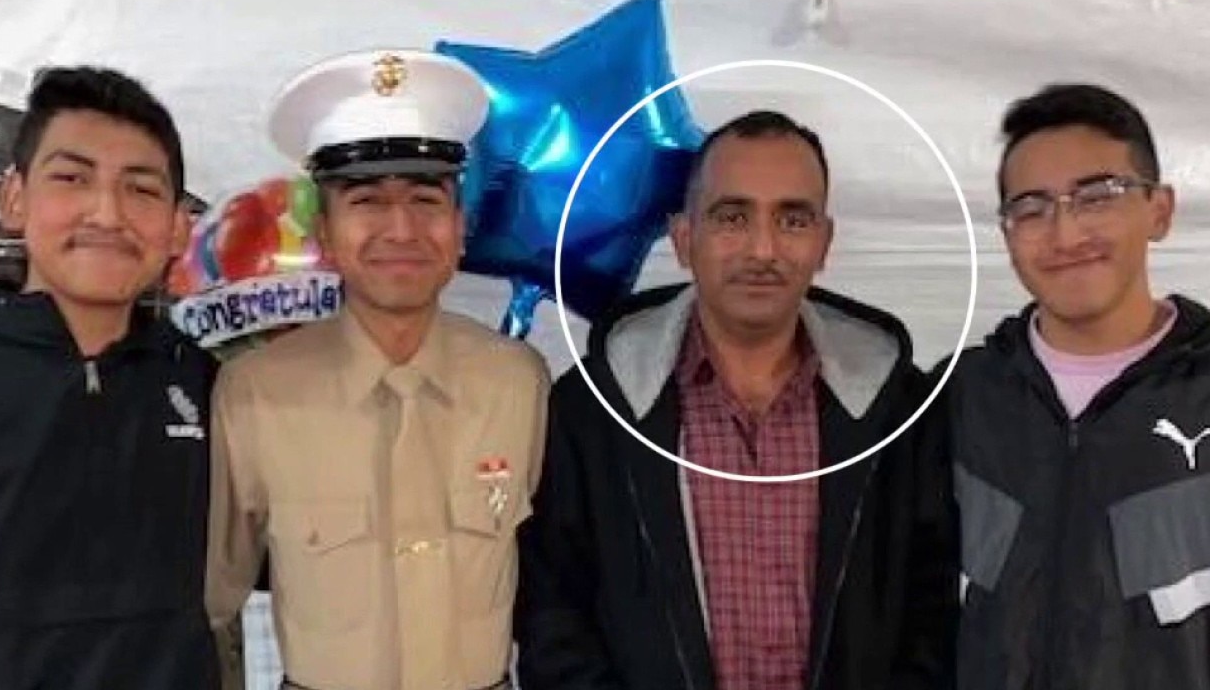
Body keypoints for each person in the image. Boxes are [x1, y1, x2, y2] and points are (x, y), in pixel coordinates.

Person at [515, 110, 957, 690]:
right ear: (683, 239)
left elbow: (932, 611)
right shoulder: (592, 410)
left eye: (793, 219)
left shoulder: (899, 409)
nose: (763, 248)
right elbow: (554, 618)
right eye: (732, 217)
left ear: (824, 242)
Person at [205, 49, 550, 690]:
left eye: (426, 199)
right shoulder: (255, 395)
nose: (401, 228)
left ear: (460, 227)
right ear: (325, 233)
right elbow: (210, 603)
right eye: (366, 200)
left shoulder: (518, 383)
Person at [0, 66, 218, 689]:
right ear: (14, 199)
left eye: (141, 189)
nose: (107, 213)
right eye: (72, 178)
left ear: (177, 227)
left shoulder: (207, 384)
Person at [939, 83, 1210, 690]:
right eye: (1031, 208)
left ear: (1160, 210)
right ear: (1007, 233)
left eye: (1097, 196)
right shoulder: (958, 399)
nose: (1064, 234)